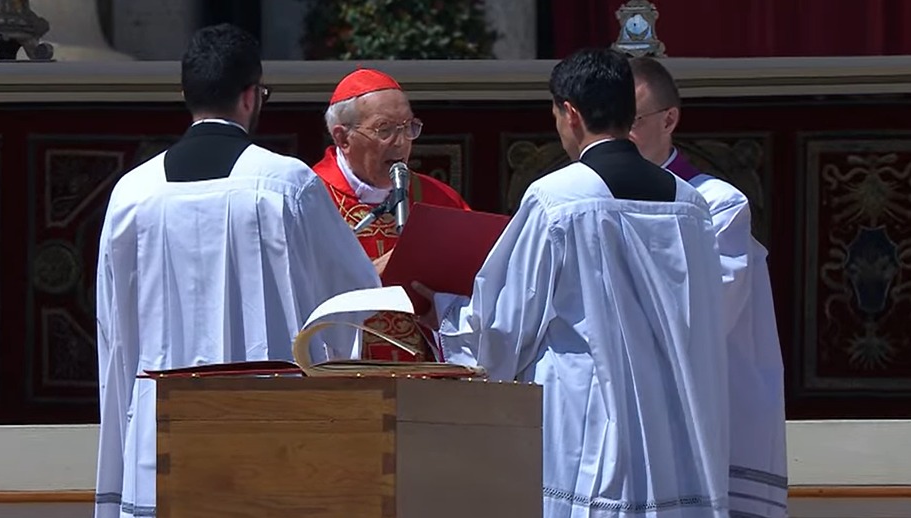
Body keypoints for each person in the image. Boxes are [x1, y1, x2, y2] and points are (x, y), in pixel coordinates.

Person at [414, 48, 730, 517]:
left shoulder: (558, 198)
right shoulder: (690, 204)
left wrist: (442, 308)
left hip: (591, 421)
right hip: (676, 423)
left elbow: (505, 325)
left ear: (571, 113)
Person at [94, 24, 380, 518]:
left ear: (186, 94)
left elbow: (114, 332)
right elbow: (353, 306)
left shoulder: (132, 194)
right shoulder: (285, 185)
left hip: (160, 434)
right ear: (251, 96)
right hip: (272, 429)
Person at [629, 56, 789, 517]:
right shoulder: (593, 198)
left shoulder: (715, 205)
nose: (620, 135)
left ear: (669, 119)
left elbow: (705, 313)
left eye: (633, 121)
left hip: (704, 417)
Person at [312, 68, 470, 362]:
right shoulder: (309, 199)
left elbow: (478, 285)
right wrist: (370, 274)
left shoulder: (439, 199)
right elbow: (295, 291)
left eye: (408, 127)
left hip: (425, 382)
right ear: (342, 138)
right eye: (385, 129)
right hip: (341, 377)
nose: (401, 142)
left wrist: (446, 307)